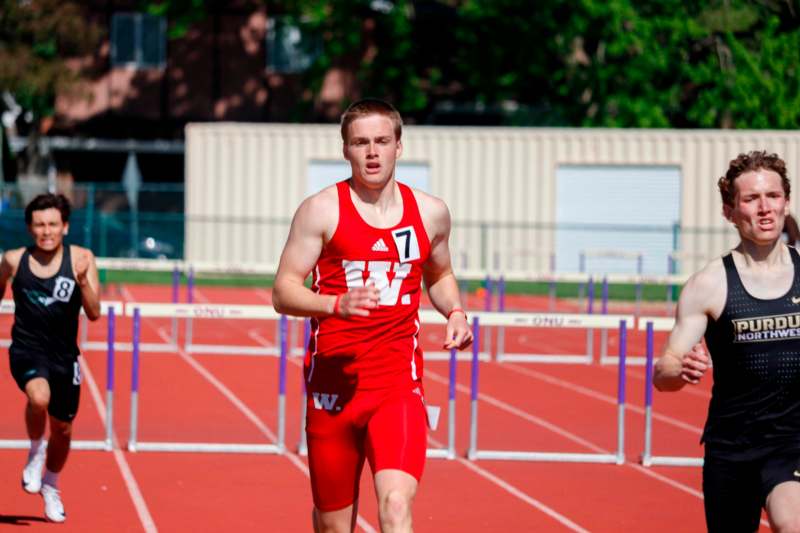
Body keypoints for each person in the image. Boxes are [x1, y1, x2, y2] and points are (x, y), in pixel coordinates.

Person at [273, 98, 472, 533]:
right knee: (333, 526)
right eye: (360, 142)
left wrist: (454, 309)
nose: (372, 152)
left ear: (399, 146)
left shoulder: (430, 213)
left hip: (397, 388)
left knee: (396, 505)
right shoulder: (321, 210)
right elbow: (283, 290)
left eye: (382, 141)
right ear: (345, 149)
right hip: (333, 392)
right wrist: (333, 305)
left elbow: (439, 274)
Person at [654, 150, 800, 532]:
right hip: (732, 448)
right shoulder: (710, 284)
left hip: (792, 442)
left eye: (773, 196)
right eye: (751, 199)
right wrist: (679, 369)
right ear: (729, 212)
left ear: (787, 201)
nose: (765, 208)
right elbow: (664, 370)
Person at [0, 193, 101, 523]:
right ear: (30, 228)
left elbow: (95, 312)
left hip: (64, 356)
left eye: (53, 224)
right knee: (38, 397)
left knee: (64, 429)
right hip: (27, 348)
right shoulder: (14, 260)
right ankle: (34, 449)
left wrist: (83, 281)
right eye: (40, 224)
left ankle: (51, 485)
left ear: (65, 227)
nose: (46, 231)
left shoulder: (82, 258)